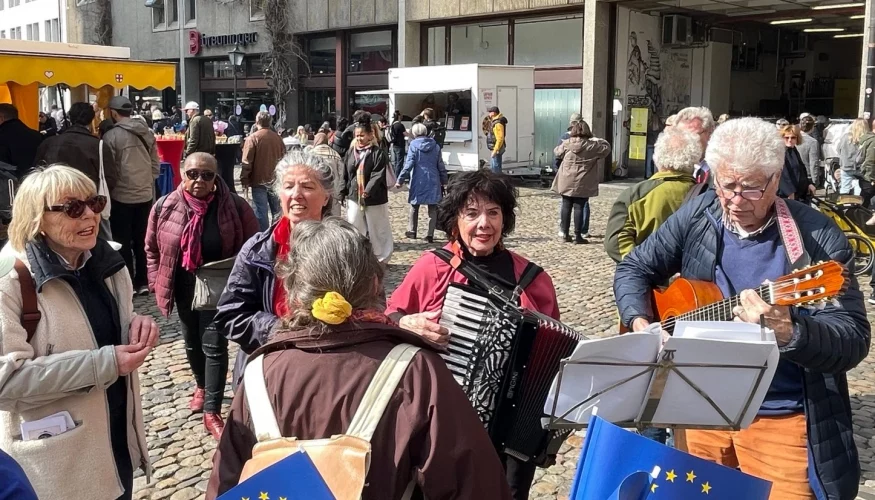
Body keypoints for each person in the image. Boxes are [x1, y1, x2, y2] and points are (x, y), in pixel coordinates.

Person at [614, 117, 869, 500]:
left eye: (750, 188)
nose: (735, 201)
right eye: (726, 185)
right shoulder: (701, 214)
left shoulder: (817, 236)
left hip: (781, 416)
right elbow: (634, 267)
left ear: (776, 175)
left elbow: (852, 338)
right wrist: (640, 322)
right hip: (699, 409)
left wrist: (792, 331)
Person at [206, 218, 512, 500]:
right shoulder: (418, 372)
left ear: (295, 295)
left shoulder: (258, 374)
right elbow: (474, 485)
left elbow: (225, 482)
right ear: (375, 284)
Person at [387, 169, 560, 500]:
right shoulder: (432, 267)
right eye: (472, 213)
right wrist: (406, 323)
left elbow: (554, 357)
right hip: (442, 419)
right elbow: (389, 317)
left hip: (512, 434)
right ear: (456, 219)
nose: (484, 223)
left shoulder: (533, 280)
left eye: (493, 212)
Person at [0, 165, 159, 500]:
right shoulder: (10, 283)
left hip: (114, 446)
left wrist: (135, 325)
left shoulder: (107, 261)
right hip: (58, 465)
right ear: (37, 219)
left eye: (95, 203)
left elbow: (112, 325)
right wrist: (101, 364)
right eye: (73, 208)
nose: (89, 215)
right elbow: (6, 383)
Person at [145, 153, 258, 439]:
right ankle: (201, 384)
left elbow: (252, 248)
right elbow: (151, 249)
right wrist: (157, 283)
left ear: (216, 176)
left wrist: (242, 287)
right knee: (191, 342)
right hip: (180, 284)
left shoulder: (234, 205)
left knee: (214, 346)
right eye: (193, 174)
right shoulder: (164, 206)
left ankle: (212, 411)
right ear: (182, 174)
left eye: (207, 175)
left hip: (218, 287)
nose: (199, 181)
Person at [215, 151, 336, 385]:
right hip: (269, 368)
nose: (296, 195)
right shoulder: (258, 249)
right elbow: (230, 314)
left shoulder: (347, 246)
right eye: (288, 186)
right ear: (279, 194)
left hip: (329, 370)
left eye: (308, 187)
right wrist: (277, 328)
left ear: (326, 196)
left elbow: (370, 308)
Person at [605, 128, 701, 264]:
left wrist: (642, 268)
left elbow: (615, 243)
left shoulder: (635, 195)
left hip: (648, 279)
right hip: (694, 282)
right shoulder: (709, 195)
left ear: (657, 158)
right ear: (695, 159)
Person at [33, 102, 118, 241]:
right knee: (98, 245)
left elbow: (36, 174)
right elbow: (110, 178)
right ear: (91, 119)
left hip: (55, 206)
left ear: (70, 118)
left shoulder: (49, 143)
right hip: (90, 207)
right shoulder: (98, 145)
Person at [103, 95, 160, 296]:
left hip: (122, 195)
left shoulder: (111, 136)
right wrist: (148, 181)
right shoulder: (147, 132)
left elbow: (111, 170)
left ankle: (128, 283)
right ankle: (143, 281)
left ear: (114, 112)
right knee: (142, 239)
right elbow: (156, 163)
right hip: (144, 194)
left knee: (123, 241)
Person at [341, 117, 394, 263]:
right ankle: (357, 255)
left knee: (377, 228)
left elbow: (378, 174)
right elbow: (345, 172)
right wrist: (342, 191)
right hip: (354, 196)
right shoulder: (351, 152)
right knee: (354, 224)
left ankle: (381, 257)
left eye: (362, 135)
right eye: (357, 135)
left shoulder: (378, 153)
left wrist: (368, 190)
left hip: (375, 197)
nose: (359, 138)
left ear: (371, 135)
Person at [552, 120, 611, 245]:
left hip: (566, 179)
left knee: (566, 205)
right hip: (583, 180)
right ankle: (578, 236)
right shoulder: (592, 146)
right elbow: (606, 149)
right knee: (579, 206)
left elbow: (557, 152)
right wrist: (598, 139)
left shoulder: (567, 143)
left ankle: (565, 234)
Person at [396, 122, 448, 243]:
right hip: (433, 178)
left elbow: (408, 164)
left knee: (414, 206)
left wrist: (400, 179)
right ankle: (430, 234)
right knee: (433, 208)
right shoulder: (435, 146)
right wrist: (444, 181)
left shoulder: (413, 145)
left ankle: (412, 231)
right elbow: (441, 165)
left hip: (418, 179)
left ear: (414, 133)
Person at [242, 111, 286, 231]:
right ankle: (277, 236)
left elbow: (247, 162)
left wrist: (244, 179)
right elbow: (284, 159)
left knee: (261, 212)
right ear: (270, 122)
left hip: (258, 180)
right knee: (277, 212)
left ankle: (263, 237)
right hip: (275, 180)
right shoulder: (278, 138)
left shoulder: (253, 138)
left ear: (256, 123)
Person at [674, 106, 715, 185]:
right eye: (681, 135)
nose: (687, 140)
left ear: (710, 133)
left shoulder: (719, 167)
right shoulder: (670, 166)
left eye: (693, 135)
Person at [0, 104, 42, 179]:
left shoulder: (2, 137)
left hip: (8, 185)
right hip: (35, 181)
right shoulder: (37, 135)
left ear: (1, 118)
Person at [307, 132, 344, 216]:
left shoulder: (310, 154)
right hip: (333, 188)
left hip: (316, 187)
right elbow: (341, 172)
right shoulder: (335, 154)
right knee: (334, 214)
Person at [777, 124, 815, 202]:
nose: (790, 140)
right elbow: (783, 175)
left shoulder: (793, 150)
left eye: (793, 137)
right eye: (786, 137)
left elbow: (801, 169)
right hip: (787, 196)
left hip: (800, 194)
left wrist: (809, 183)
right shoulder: (781, 152)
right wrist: (789, 192)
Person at [837, 118, 870, 195]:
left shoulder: (845, 137)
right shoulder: (866, 139)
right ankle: (858, 204)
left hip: (846, 166)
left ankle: (844, 204)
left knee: (844, 188)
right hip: (861, 168)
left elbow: (838, 150)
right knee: (860, 188)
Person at [798, 114, 821, 186]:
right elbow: (814, 163)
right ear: (812, 127)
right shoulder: (812, 142)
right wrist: (815, 181)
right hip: (806, 175)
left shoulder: (791, 138)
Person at [485, 106, 508, 174]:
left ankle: (497, 182)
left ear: (494, 113)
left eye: (490, 112)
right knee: (495, 167)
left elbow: (500, 138)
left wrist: (495, 150)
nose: (489, 113)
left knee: (495, 168)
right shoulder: (495, 121)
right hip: (495, 148)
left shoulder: (498, 124)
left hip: (496, 149)